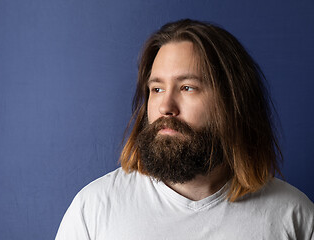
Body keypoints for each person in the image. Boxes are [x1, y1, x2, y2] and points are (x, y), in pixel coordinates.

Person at [56, 19, 314, 240]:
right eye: (157, 89)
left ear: (233, 102)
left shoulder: (293, 215)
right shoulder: (95, 208)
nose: (165, 106)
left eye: (187, 87)